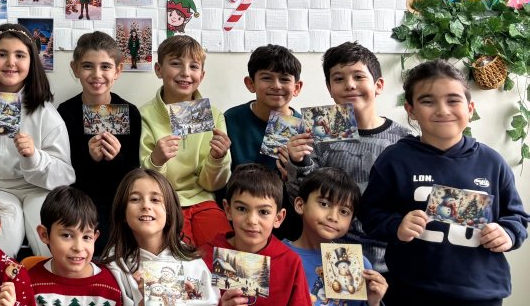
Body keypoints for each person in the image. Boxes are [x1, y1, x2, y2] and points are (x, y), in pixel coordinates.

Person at [360, 60, 529, 306]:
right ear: (410, 110)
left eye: (453, 100)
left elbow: (517, 217)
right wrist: (396, 225)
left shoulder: (492, 162)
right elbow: (370, 214)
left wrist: (507, 233)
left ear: (470, 108)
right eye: (428, 101)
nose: (442, 110)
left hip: (480, 301)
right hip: (414, 298)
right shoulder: (395, 160)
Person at [285, 42, 411, 272]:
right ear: (329, 88)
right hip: (328, 258)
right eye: (339, 79)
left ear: (378, 85)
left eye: (359, 77)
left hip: (388, 261)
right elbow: (301, 199)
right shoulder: (317, 132)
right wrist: (298, 162)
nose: (350, 85)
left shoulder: (405, 140)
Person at [104, 169, 220, 306]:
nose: (146, 205)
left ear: (170, 211)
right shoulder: (114, 267)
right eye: (135, 199)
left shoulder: (193, 265)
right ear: (122, 212)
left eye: (156, 199)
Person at [0, 24, 74, 257]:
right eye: (1, 54)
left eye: (20, 55)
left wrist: (34, 156)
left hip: (40, 190)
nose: (11, 62)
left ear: (31, 62)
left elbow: (65, 175)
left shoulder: (46, 114)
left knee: (50, 244)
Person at [203, 165, 315, 306]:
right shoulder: (206, 256)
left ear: (279, 218)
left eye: (263, 212)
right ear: (227, 209)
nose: (252, 221)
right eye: (242, 209)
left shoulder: (290, 262)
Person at [286, 167, 386, 306]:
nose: (333, 217)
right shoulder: (280, 257)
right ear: (300, 204)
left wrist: (374, 303)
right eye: (324, 204)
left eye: (344, 212)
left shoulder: (358, 263)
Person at [140, 35, 231, 250]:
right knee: (177, 254)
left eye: (194, 66)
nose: (185, 73)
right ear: (158, 70)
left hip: (203, 200)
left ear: (202, 75)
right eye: (175, 63)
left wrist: (217, 158)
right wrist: (156, 160)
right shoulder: (144, 115)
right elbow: (144, 183)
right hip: (162, 202)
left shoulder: (214, 116)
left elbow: (213, 185)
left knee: (223, 251)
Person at [57, 31, 140, 255]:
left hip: (117, 198)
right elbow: (63, 169)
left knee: (118, 243)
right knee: (91, 241)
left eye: (105, 67)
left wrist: (116, 157)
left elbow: (133, 171)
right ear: (75, 69)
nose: (97, 75)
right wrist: (88, 157)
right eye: (87, 66)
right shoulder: (66, 112)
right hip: (79, 198)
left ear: (117, 71)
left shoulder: (130, 112)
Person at [26, 187, 123, 306]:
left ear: (95, 238)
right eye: (67, 235)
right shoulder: (31, 282)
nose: (78, 247)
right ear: (44, 235)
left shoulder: (109, 285)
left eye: (86, 237)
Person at [223, 45, 303, 174]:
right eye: (266, 78)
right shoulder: (231, 119)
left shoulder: (305, 130)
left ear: (296, 88)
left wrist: (295, 171)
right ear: (250, 84)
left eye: (284, 79)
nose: (276, 86)